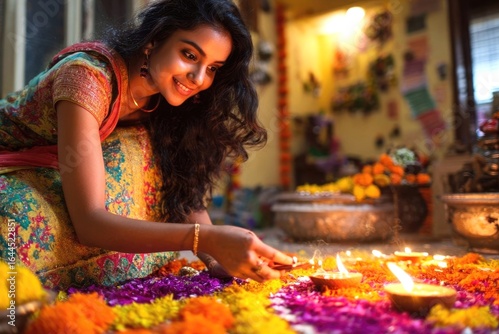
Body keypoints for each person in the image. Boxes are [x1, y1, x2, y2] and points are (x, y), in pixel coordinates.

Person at [0, 0, 293, 285]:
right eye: (190, 55)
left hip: (53, 169)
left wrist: (216, 258)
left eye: (213, 68)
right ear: (153, 41)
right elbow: (90, 222)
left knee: (150, 154)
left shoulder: (164, 98)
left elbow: (180, 184)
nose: (198, 78)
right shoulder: (86, 79)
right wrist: (206, 238)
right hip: (12, 165)